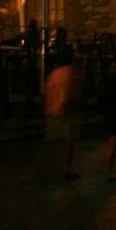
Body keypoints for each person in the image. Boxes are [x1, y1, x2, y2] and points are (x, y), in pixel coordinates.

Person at [43, 46, 81, 182]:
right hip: (65, 113)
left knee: (53, 143)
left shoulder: (53, 74)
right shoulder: (71, 73)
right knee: (68, 144)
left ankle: (49, 170)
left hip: (51, 112)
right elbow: (71, 94)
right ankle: (66, 171)